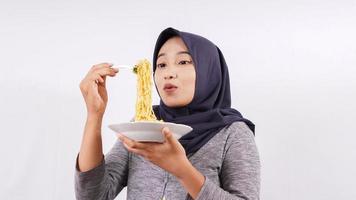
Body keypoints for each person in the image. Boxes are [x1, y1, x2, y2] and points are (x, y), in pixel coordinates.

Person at [75, 27, 260, 200]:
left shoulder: (233, 133)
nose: (168, 73)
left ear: (208, 70)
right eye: (161, 64)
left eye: (183, 62)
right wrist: (94, 114)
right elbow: (93, 195)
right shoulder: (143, 125)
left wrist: (183, 170)